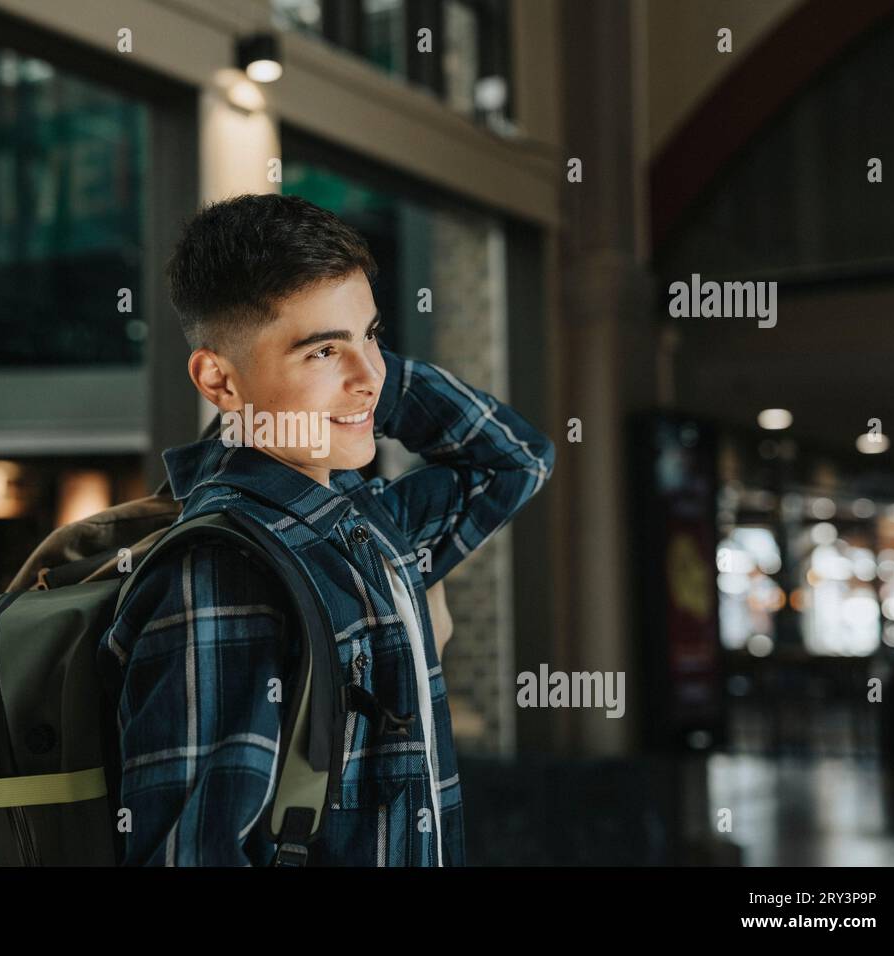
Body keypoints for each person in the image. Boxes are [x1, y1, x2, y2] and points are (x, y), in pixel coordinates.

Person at [96, 193, 554, 865]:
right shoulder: (229, 569)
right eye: (322, 352)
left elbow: (515, 458)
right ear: (219, 380)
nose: (369, 375)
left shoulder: (367, 517)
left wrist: (366, 383)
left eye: (372, 335)